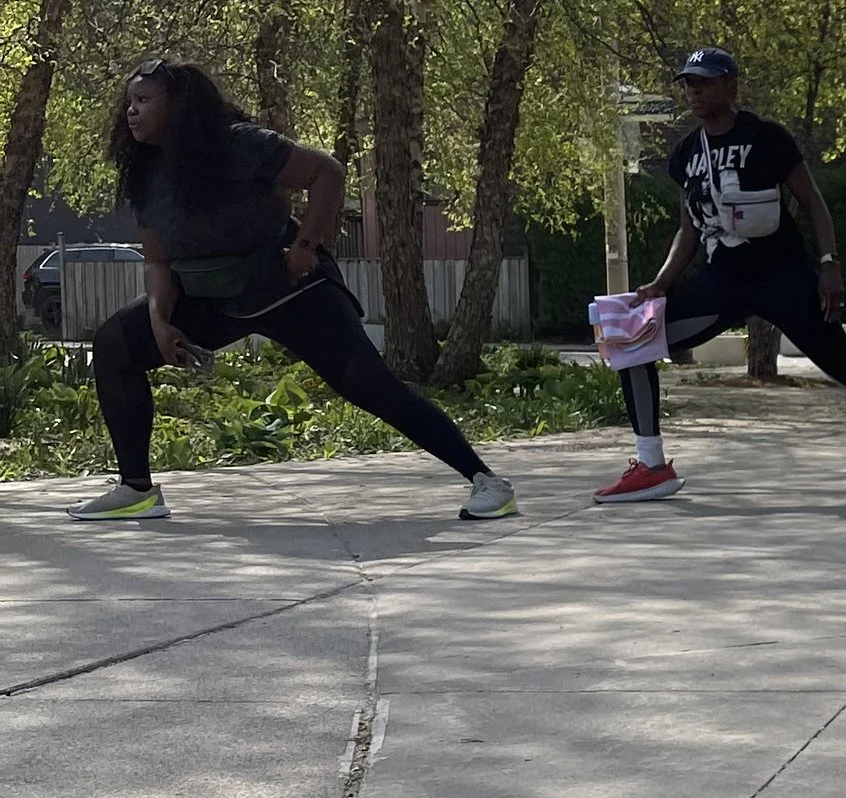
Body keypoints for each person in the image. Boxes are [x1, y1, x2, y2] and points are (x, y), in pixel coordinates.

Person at [73, 59, 515, 525]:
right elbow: (158, 261)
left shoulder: (238, 144)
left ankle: (488, 482)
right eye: (129, 102)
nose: (131, 111)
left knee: (372, 387)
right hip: (216, 295)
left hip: (289, 286)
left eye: (144, 100)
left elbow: (327, 172)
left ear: (179, 105)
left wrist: (305, 245)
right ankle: (137, 490)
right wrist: (160, 323)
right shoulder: (145, 175)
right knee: (115, 345)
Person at [593, 50, 846, 506]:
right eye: (689, 84)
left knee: (844, 365)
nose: (694, 92)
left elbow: (812, 201)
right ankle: (652, 467)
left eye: (704, 82)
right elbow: (688, 230)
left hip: (784, 279)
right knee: (633, 343)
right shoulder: (686, 153)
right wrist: (661, 283)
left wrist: (830, 263)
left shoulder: (766, 138)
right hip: (723, 283)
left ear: (731, 85)